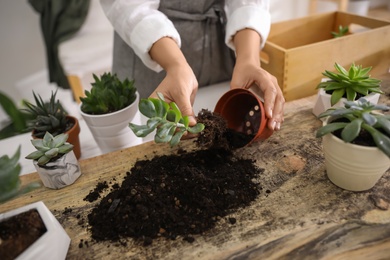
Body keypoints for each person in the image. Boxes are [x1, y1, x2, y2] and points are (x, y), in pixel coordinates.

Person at [100, 0, 284, 131]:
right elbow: (128, 6)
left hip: (218, 44)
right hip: (150, 49)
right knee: (157, 125)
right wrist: (175, 65)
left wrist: (248, 59)